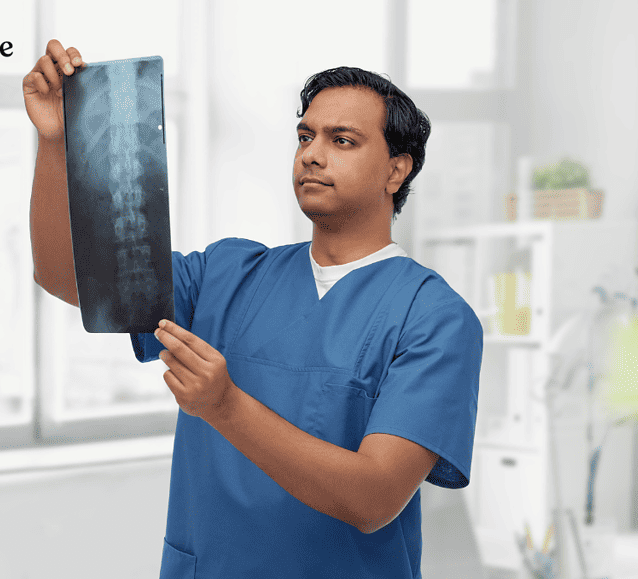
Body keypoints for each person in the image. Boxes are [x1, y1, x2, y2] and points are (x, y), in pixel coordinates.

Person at [24, 39, 482, 579]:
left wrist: (225, 407)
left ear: (395, 171)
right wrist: (57, 143)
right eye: (305, 136)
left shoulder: (433, 318)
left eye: (343, 140)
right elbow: (67, 278)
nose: (312, 153)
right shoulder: (226, 274)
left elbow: (374, 498)